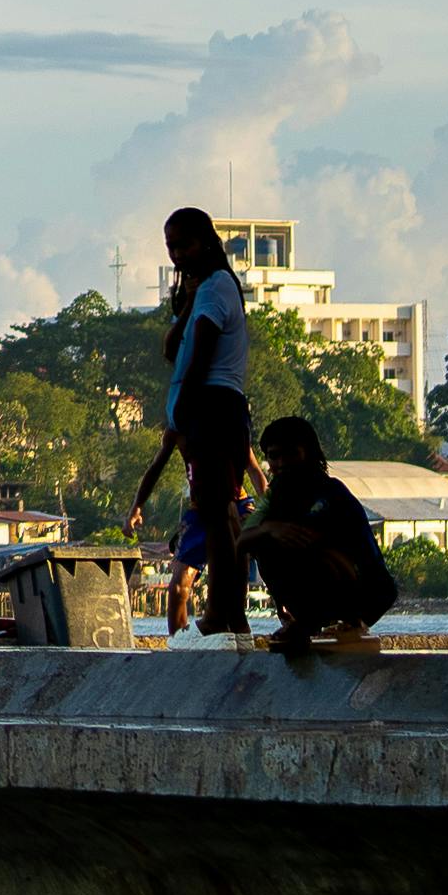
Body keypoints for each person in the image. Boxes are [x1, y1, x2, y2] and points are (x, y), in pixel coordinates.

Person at [130, 207, 256, 641]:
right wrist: (186, 302)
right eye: (171, 247)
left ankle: (222, 613)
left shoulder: (218, 285)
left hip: (213, 406)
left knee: (219, 516)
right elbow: (172, 348)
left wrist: (186, 405)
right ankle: (230, 616)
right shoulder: (204, 291)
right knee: (221, 514)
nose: (178, 254)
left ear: (206, 241)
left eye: (184, 244)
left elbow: (201, 350)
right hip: (211, 407)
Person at [243, 416, 401, 652]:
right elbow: (242, 541)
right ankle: (303, 620)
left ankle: (337, 622)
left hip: (363, 592)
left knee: (301, 546)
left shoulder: (330, 493)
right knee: (263, 540)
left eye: (291, 454)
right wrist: (269, 528)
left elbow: (373, 575)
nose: (282, 463)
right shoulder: (274, 496)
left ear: (308, 453)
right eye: (274, 456)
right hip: (320, 585)